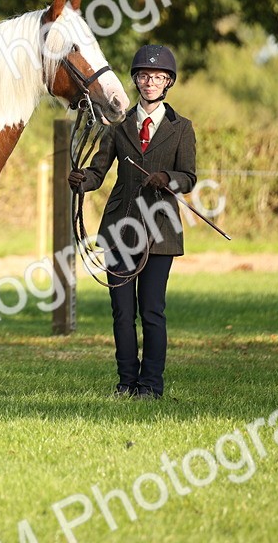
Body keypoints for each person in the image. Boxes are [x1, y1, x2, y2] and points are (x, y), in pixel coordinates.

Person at [68, 44, 196, 399]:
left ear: (168, 81)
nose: (149, 82)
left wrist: (167, 178)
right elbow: (98, 170)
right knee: (122, 313)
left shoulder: (181, 128)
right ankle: (126, 382)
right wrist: (84, 181)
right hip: (119, 229)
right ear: (136, 80)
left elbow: (188, 176)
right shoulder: (118, 124)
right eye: (143, 76)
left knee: (152, 310)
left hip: (160, 230)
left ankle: (151, 385)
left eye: (157, 77)